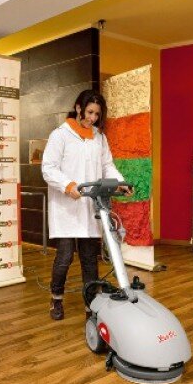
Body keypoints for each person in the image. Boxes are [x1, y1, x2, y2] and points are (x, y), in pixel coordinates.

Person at [41, 89, 132, 321]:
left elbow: (107, 166)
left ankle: (91, 305)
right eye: (89, 112)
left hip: (90, 207)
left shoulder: (99, 137)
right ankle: (56, 298)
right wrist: (68, 185)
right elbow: (48, 168)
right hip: (66, 207)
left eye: (97, 114)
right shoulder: (60, 135)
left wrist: (120, 183)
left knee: (90, 259)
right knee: (64, 258)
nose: (92, 118)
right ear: (78, 108)